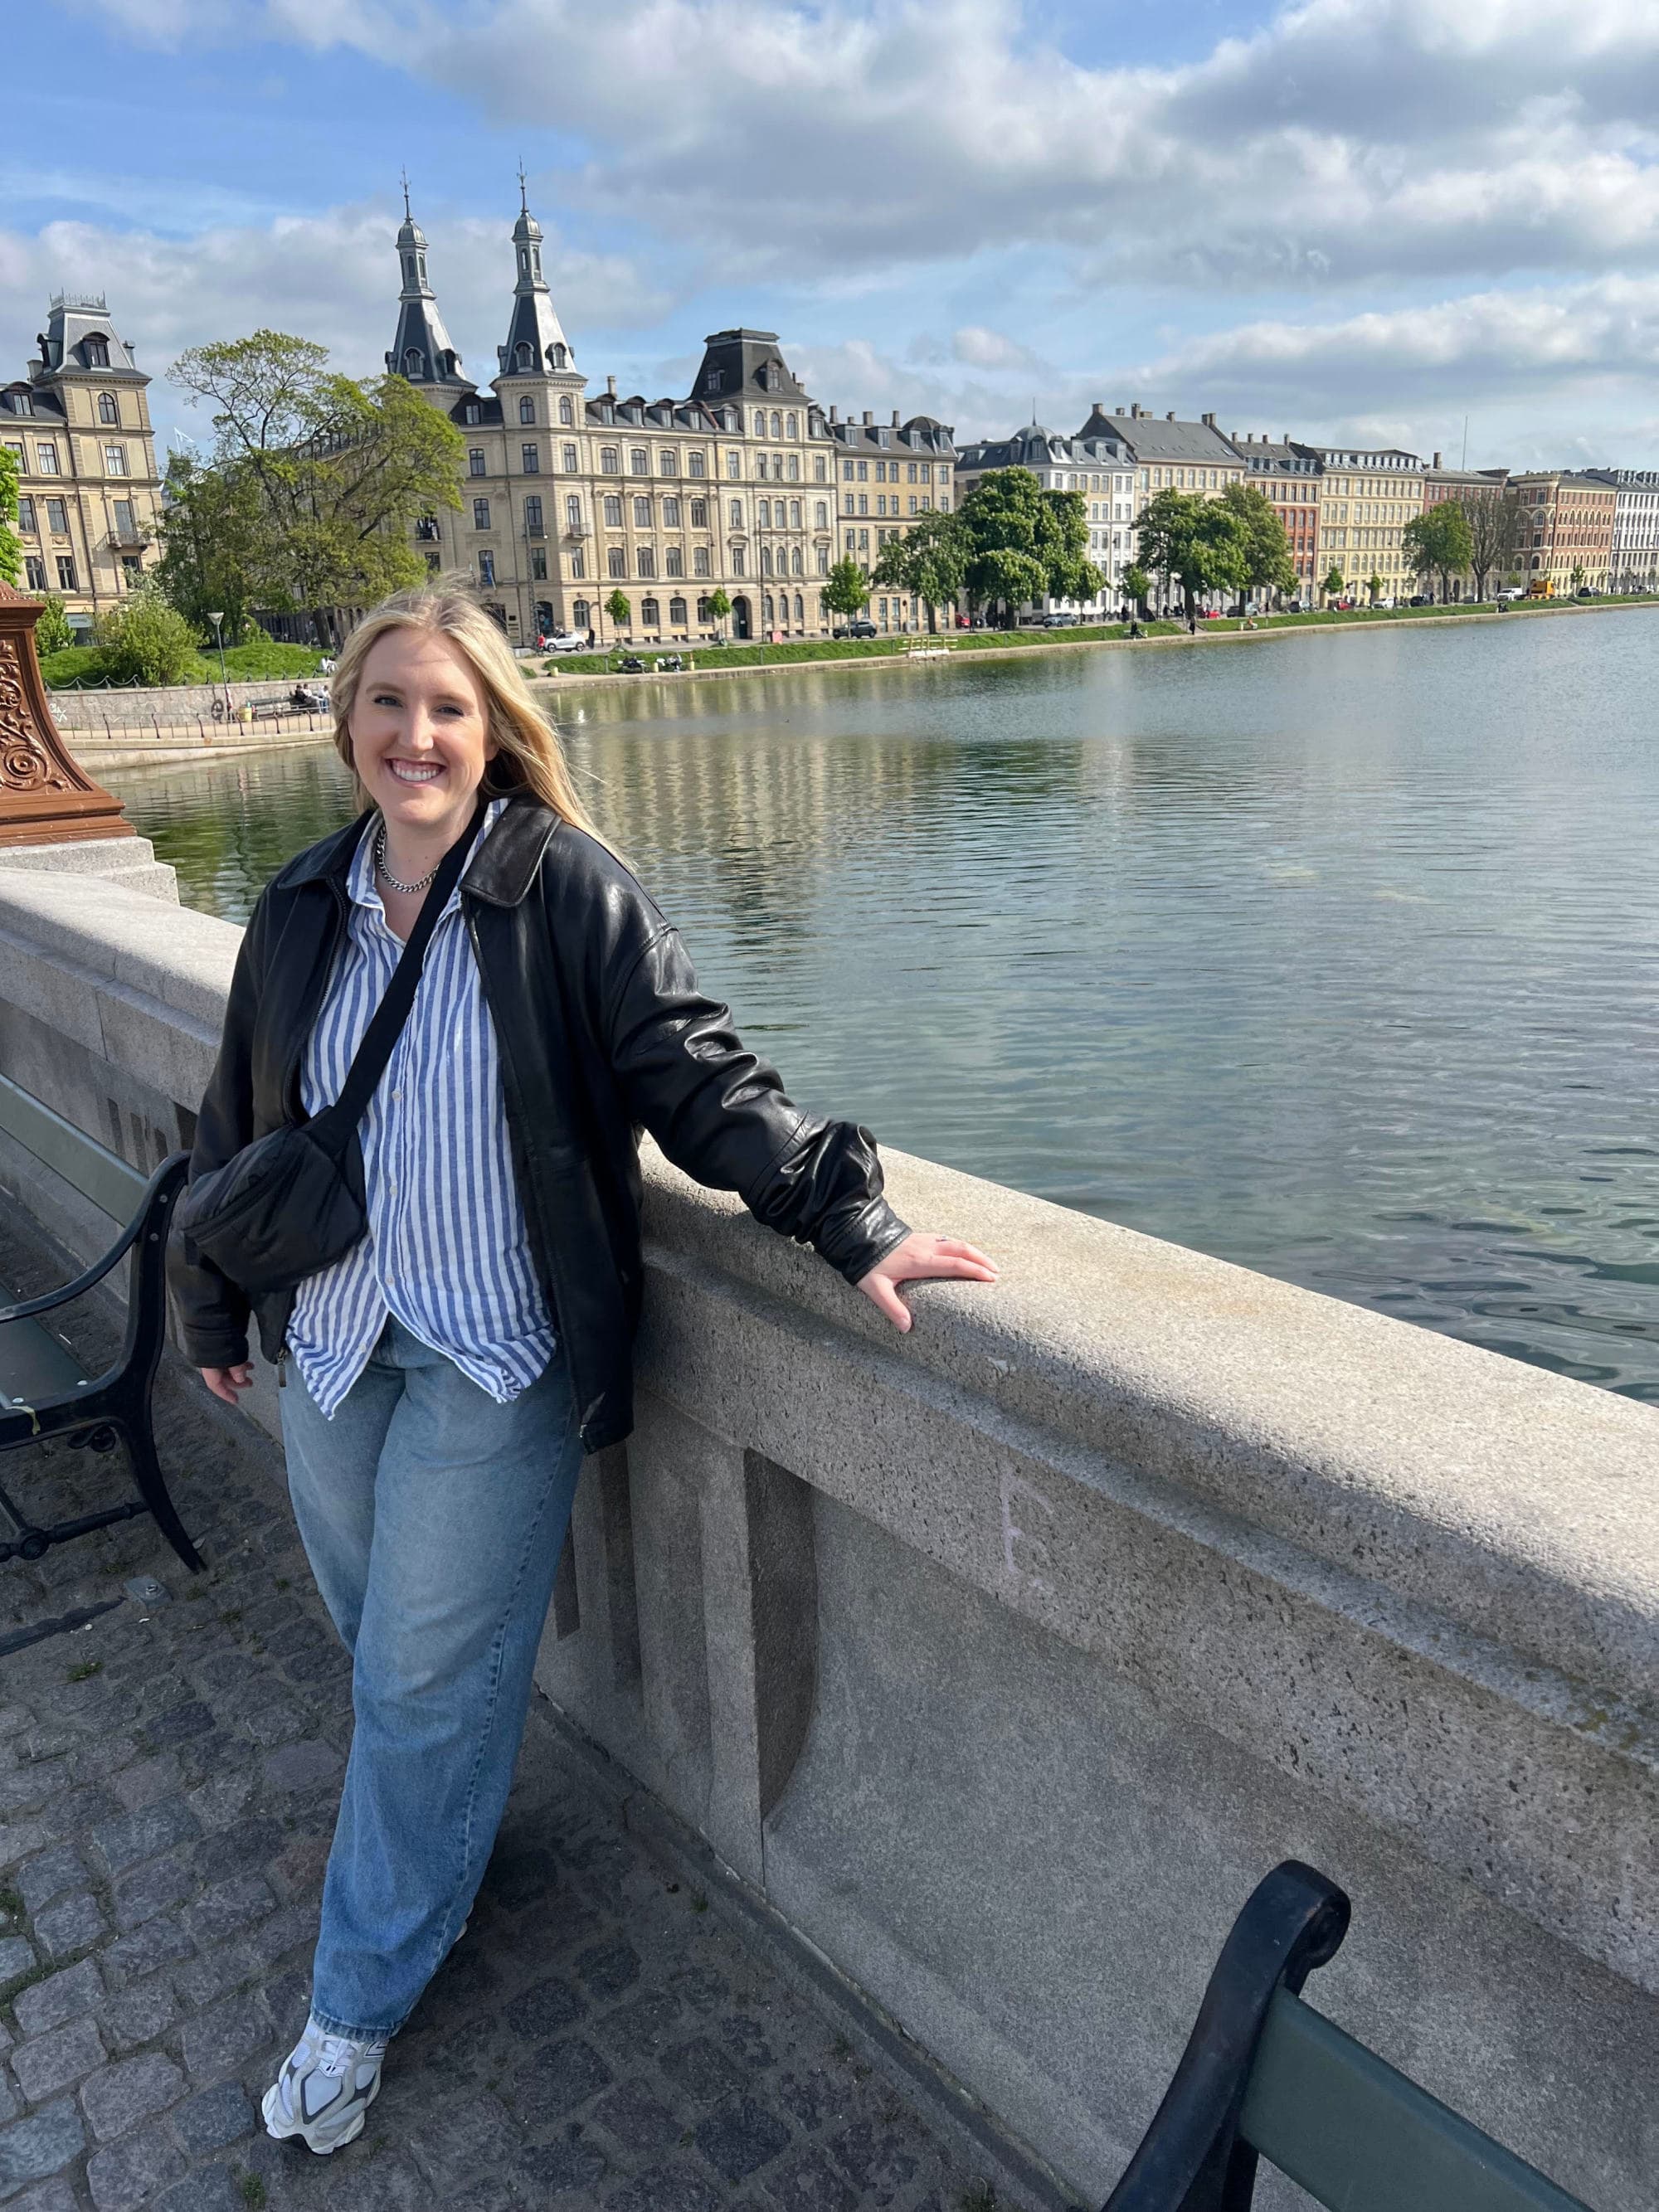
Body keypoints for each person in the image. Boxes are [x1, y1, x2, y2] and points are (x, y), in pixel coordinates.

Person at [170, 583, 995, 2157]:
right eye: (389, 705)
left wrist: (849, 1217)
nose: (417, 736)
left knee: (417, 1679)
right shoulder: (296, 907)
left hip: (497, 1350)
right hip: (339, 1344)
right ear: (345, 723)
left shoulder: (567, 892)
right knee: (384, 1654)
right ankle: (441, 1861)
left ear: (496, 733)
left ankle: (353, 2002)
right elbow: (235, 1130)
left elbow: (703, 1080)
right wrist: (210, 1308)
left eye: (448, 710)